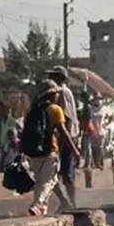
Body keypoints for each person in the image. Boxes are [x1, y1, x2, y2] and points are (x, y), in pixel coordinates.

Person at [22, 80, 80, 216]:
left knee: (45, 180)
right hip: (49, 151)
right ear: (50, 95)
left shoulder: (31, 110)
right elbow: (63, 132)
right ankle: (38, 205)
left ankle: (65, 202)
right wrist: (75, 150)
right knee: (49, 181)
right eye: (55, 93)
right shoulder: (55, 109)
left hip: (33, 152)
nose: (57, 96)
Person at [48, 66, 80, 206]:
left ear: (61, 78)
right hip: (64, 136)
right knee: (62, 171)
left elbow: (68, 118)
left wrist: (64, 138)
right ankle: (66, 203)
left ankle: (72, 203)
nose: (51, 79)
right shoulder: (60, 92)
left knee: (67, 172)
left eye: (53, 76)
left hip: (68, 136)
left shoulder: (63, 92)